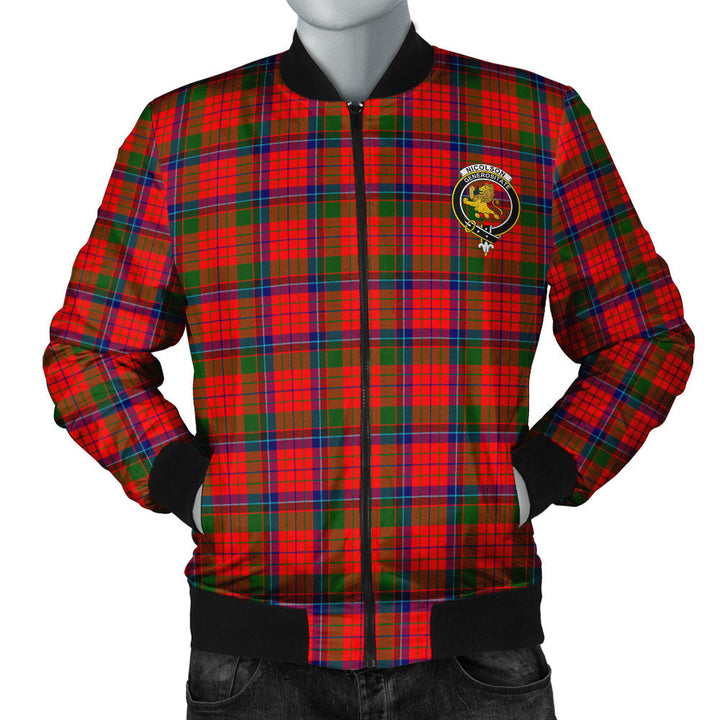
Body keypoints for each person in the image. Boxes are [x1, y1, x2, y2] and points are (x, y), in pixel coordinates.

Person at [41, 1, 695, 718]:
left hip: (475, 646)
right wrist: (192, 487)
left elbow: (644, 336)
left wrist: (535, 478)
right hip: (255, 649)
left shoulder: (535, 122)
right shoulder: (185, 134)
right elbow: (90, 350)